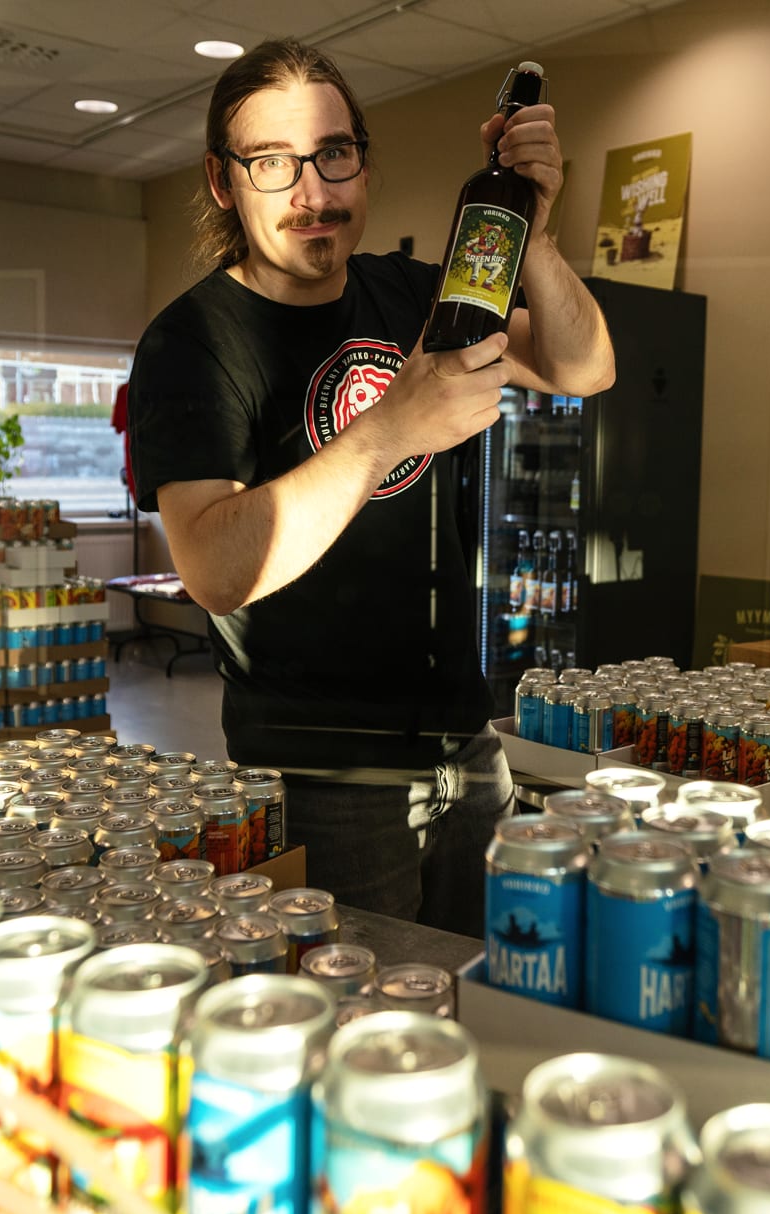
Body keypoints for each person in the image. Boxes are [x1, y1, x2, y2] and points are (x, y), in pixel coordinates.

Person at [128, 39, 615, 934]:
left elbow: (584, 367)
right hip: (321, 772)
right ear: (221, 179)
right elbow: (213, 568)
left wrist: (535, 234)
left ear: (362, 159)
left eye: (334, 156)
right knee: (366, 1021)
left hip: (466, 745)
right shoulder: (190, 343)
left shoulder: (414, 294)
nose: (313, 194)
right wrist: (392, 428)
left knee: (482, 987)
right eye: (273, 164)